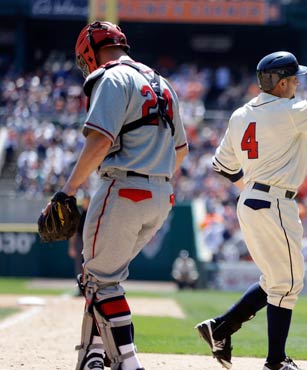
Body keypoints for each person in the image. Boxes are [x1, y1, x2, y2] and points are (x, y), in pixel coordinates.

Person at [195, 32, 307, 370]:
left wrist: (253, 184)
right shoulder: (290, 110)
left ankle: (222, 327)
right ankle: (275, 361)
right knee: (288, 283)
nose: (297, 82)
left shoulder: (241, 114)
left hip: (251, 199)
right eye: (294, 78)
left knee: (275, 281)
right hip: (274, 203)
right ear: (282, 83)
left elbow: (222, 167)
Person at [44, 21, 188, 370]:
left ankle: (128, 361)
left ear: (91, 51)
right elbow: (181, 150)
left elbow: (100, 140)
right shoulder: (162, 82)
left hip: (123, 188)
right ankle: (92, 354)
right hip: (160, 195)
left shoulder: (111, 77)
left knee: (100, 281)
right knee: (102, 276)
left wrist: (68, 190)